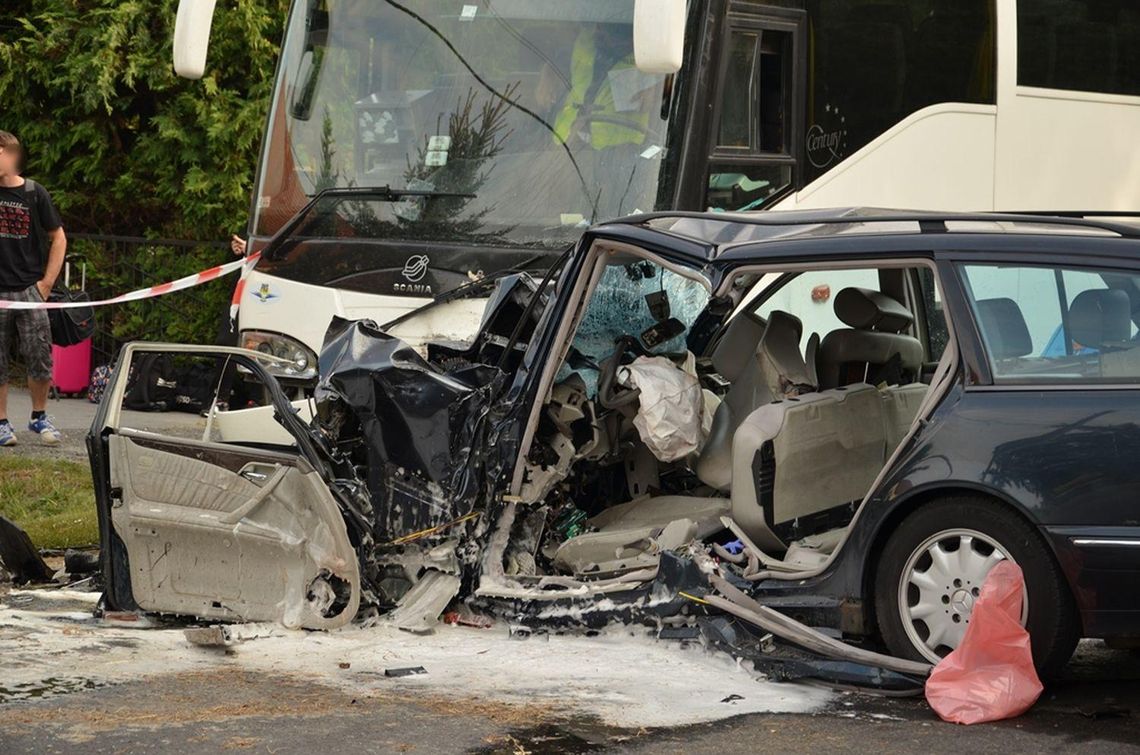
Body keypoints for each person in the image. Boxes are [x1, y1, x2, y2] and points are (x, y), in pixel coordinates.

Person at [0, 130, 66, 446]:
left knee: (39, 355)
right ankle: (1, 424)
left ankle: (39, 418)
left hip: (29, 290)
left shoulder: (34, 193)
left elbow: (59, 237)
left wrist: (46, 283)